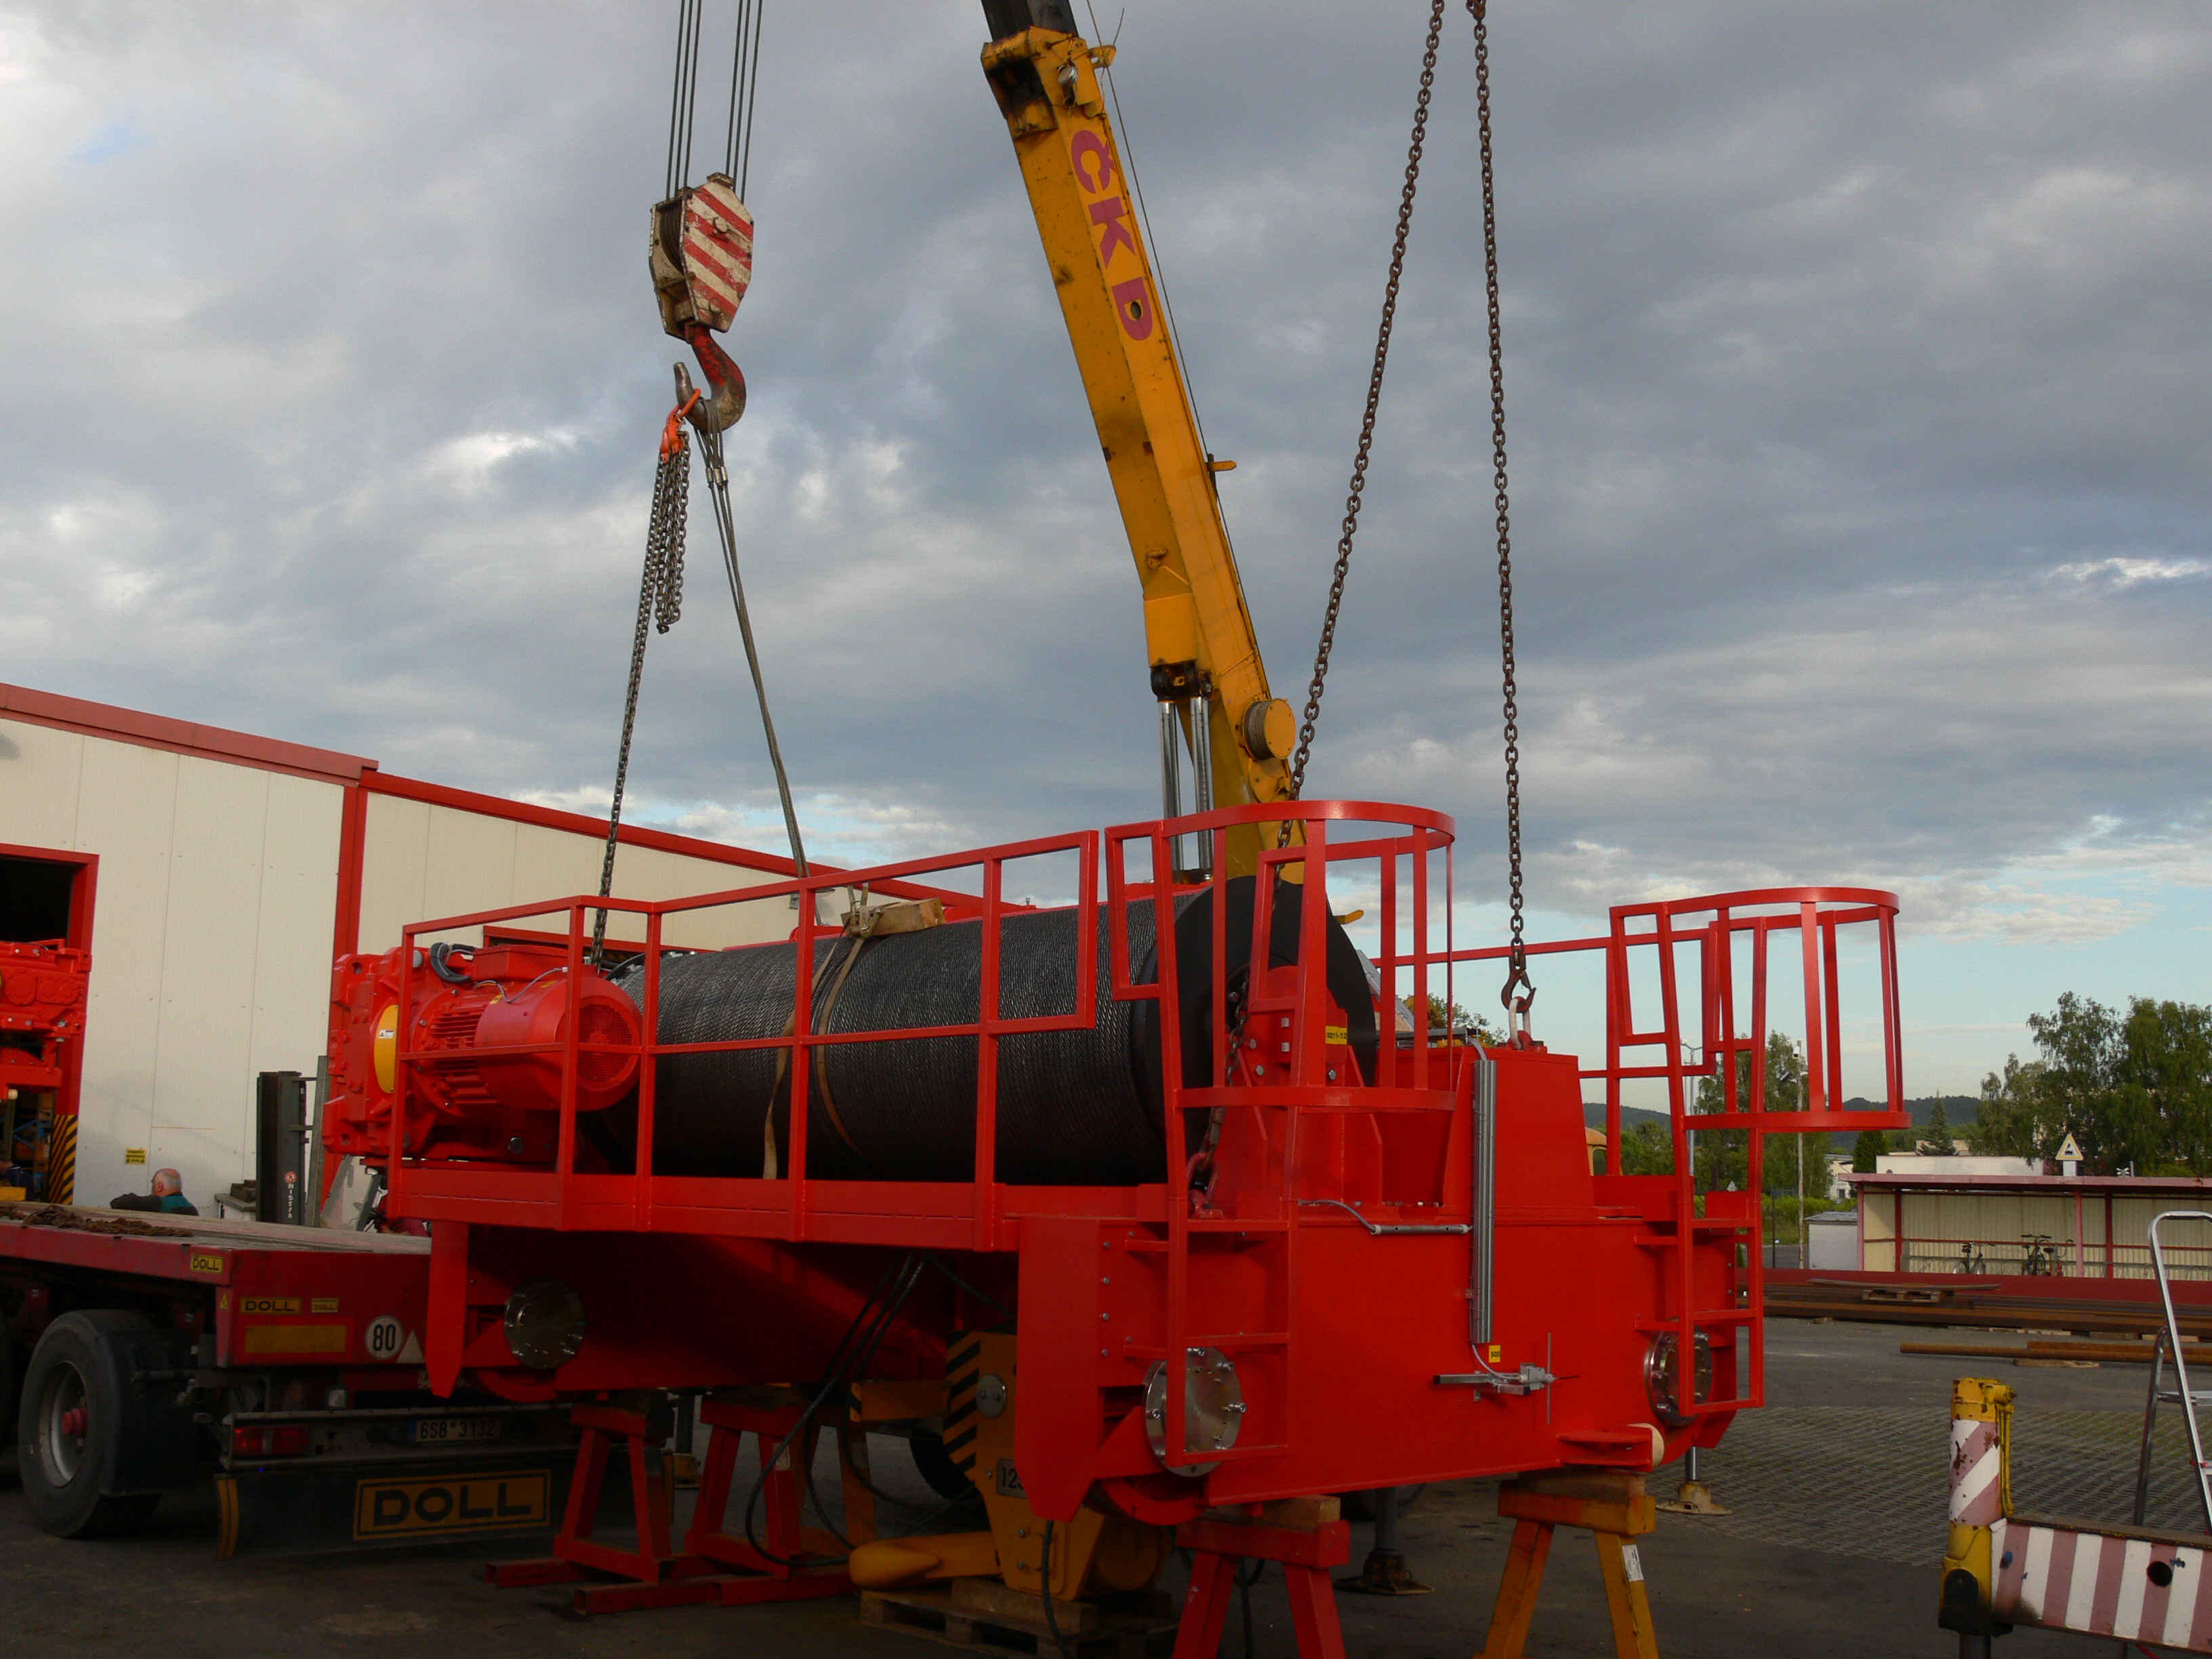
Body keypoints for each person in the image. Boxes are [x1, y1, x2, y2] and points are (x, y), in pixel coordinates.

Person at [110, 1168, 199, 1216]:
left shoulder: (156, 1203)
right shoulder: (192, 1209)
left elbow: (118, 1203)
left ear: (159, 1186)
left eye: (153, 1183)